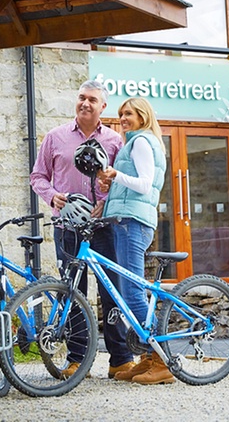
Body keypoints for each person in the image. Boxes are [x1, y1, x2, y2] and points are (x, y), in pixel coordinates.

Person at [29, 79, 135, 379]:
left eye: (92, 100)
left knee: (111, 291)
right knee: (72, 292)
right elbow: (37, 176)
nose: (85, 103)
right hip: (67, 226)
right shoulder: (55, 137)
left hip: (103, 227)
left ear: (103, 107)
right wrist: (52, 196)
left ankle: (120, 360)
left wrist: (108, 201)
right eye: (81, 98)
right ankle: (78, 360)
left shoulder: (115, 141)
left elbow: (122, 182)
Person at [97, 97, 170, 385]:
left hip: (132, 222)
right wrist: (113, 181)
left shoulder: (141, 141)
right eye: (121, 114)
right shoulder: (136, 142)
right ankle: (147, 357)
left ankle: (161, 360)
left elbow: (144, 183)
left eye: (129, 113)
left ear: (142, 115)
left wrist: (117, 174)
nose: (123, 118)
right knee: (129, 292)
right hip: (126, 220)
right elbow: (134, 182)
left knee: (132, 293)